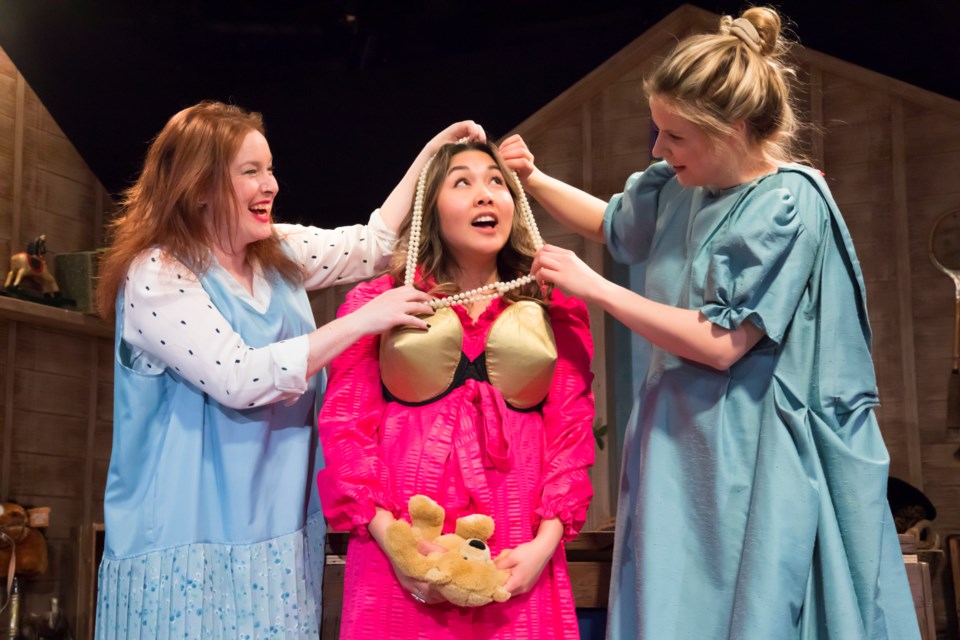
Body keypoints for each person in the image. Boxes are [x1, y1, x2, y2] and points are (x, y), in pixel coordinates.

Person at [500, 7, 920, 640]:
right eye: (658, 129)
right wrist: (531, 178)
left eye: (675, 135)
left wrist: (596, 289)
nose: (657, 149)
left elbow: (722, 344)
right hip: (676, 435)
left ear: (734, 129)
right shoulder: (679, 185)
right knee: (672, 608)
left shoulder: (787, 204)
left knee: (746, 609)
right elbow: (614, 224)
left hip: (748, 445)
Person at [93, 100, 483, 639]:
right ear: (199, 186)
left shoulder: (276, 252)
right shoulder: (157, 274)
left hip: (277, 532)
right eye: (250, 172)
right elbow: (239, 377)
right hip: (184, 540)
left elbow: (372, 245)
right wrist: (362, 322)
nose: (270, 184)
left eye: (270, 168)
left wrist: (430, 156)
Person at [316, 139, 595, 638]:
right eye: (462, 182)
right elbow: (345, 431)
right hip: (407, 541)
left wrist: (542, 547)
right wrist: (396, 545)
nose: (485, 194)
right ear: (430, 209)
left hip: (516, 547)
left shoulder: (554, 309)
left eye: (496, 182)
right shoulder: (378, 302)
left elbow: (570, 439)